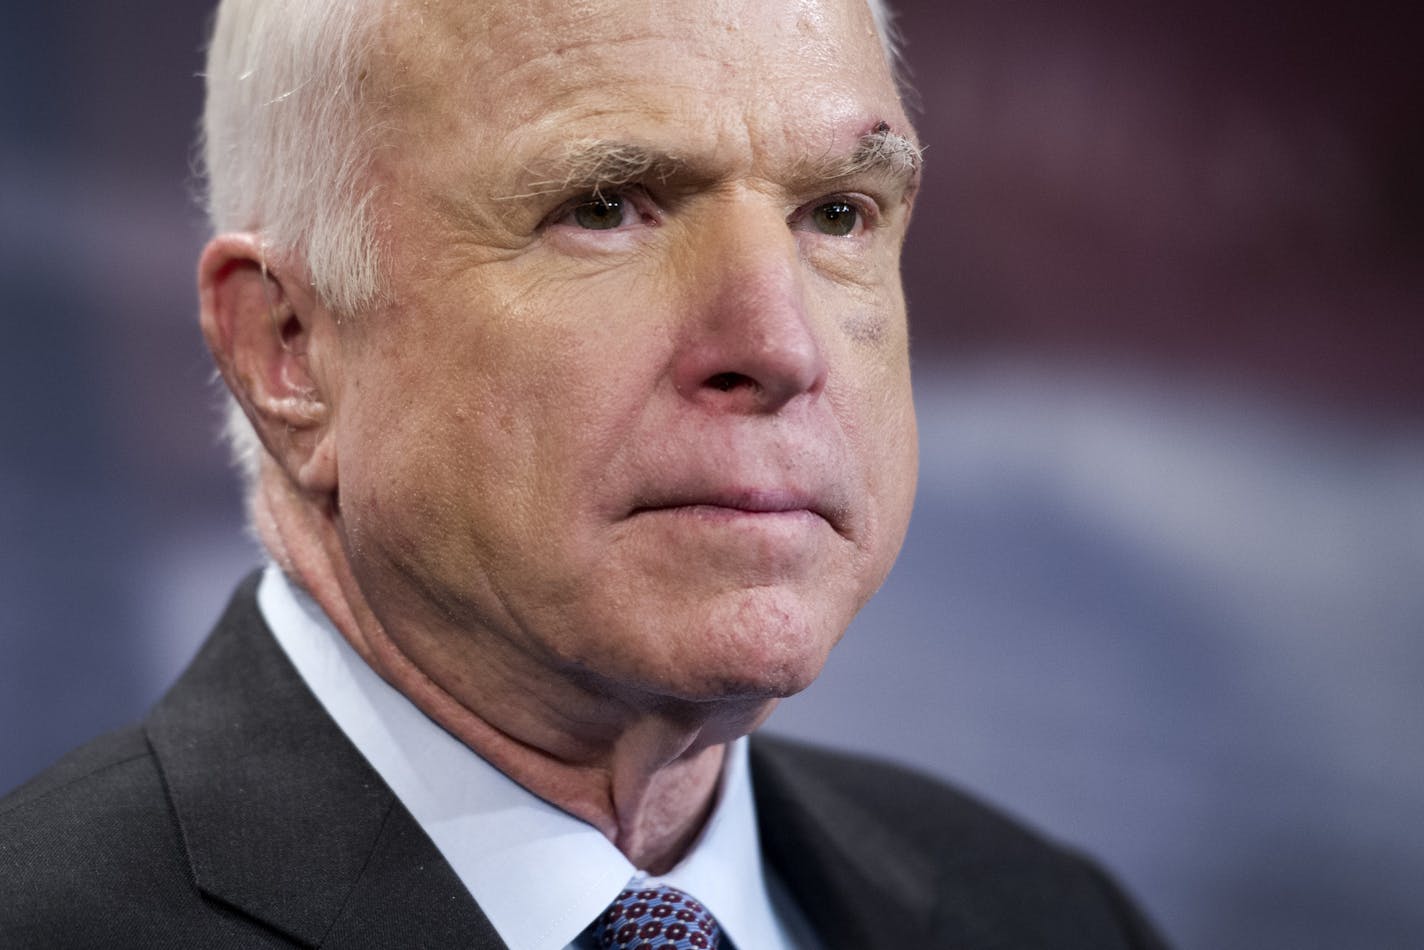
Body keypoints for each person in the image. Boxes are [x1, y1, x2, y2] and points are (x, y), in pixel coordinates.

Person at [0, 0, 1168, 947]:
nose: (778, 345)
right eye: (604, 208)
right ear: (289, 346)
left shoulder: (1049, 915)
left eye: (837, 214)